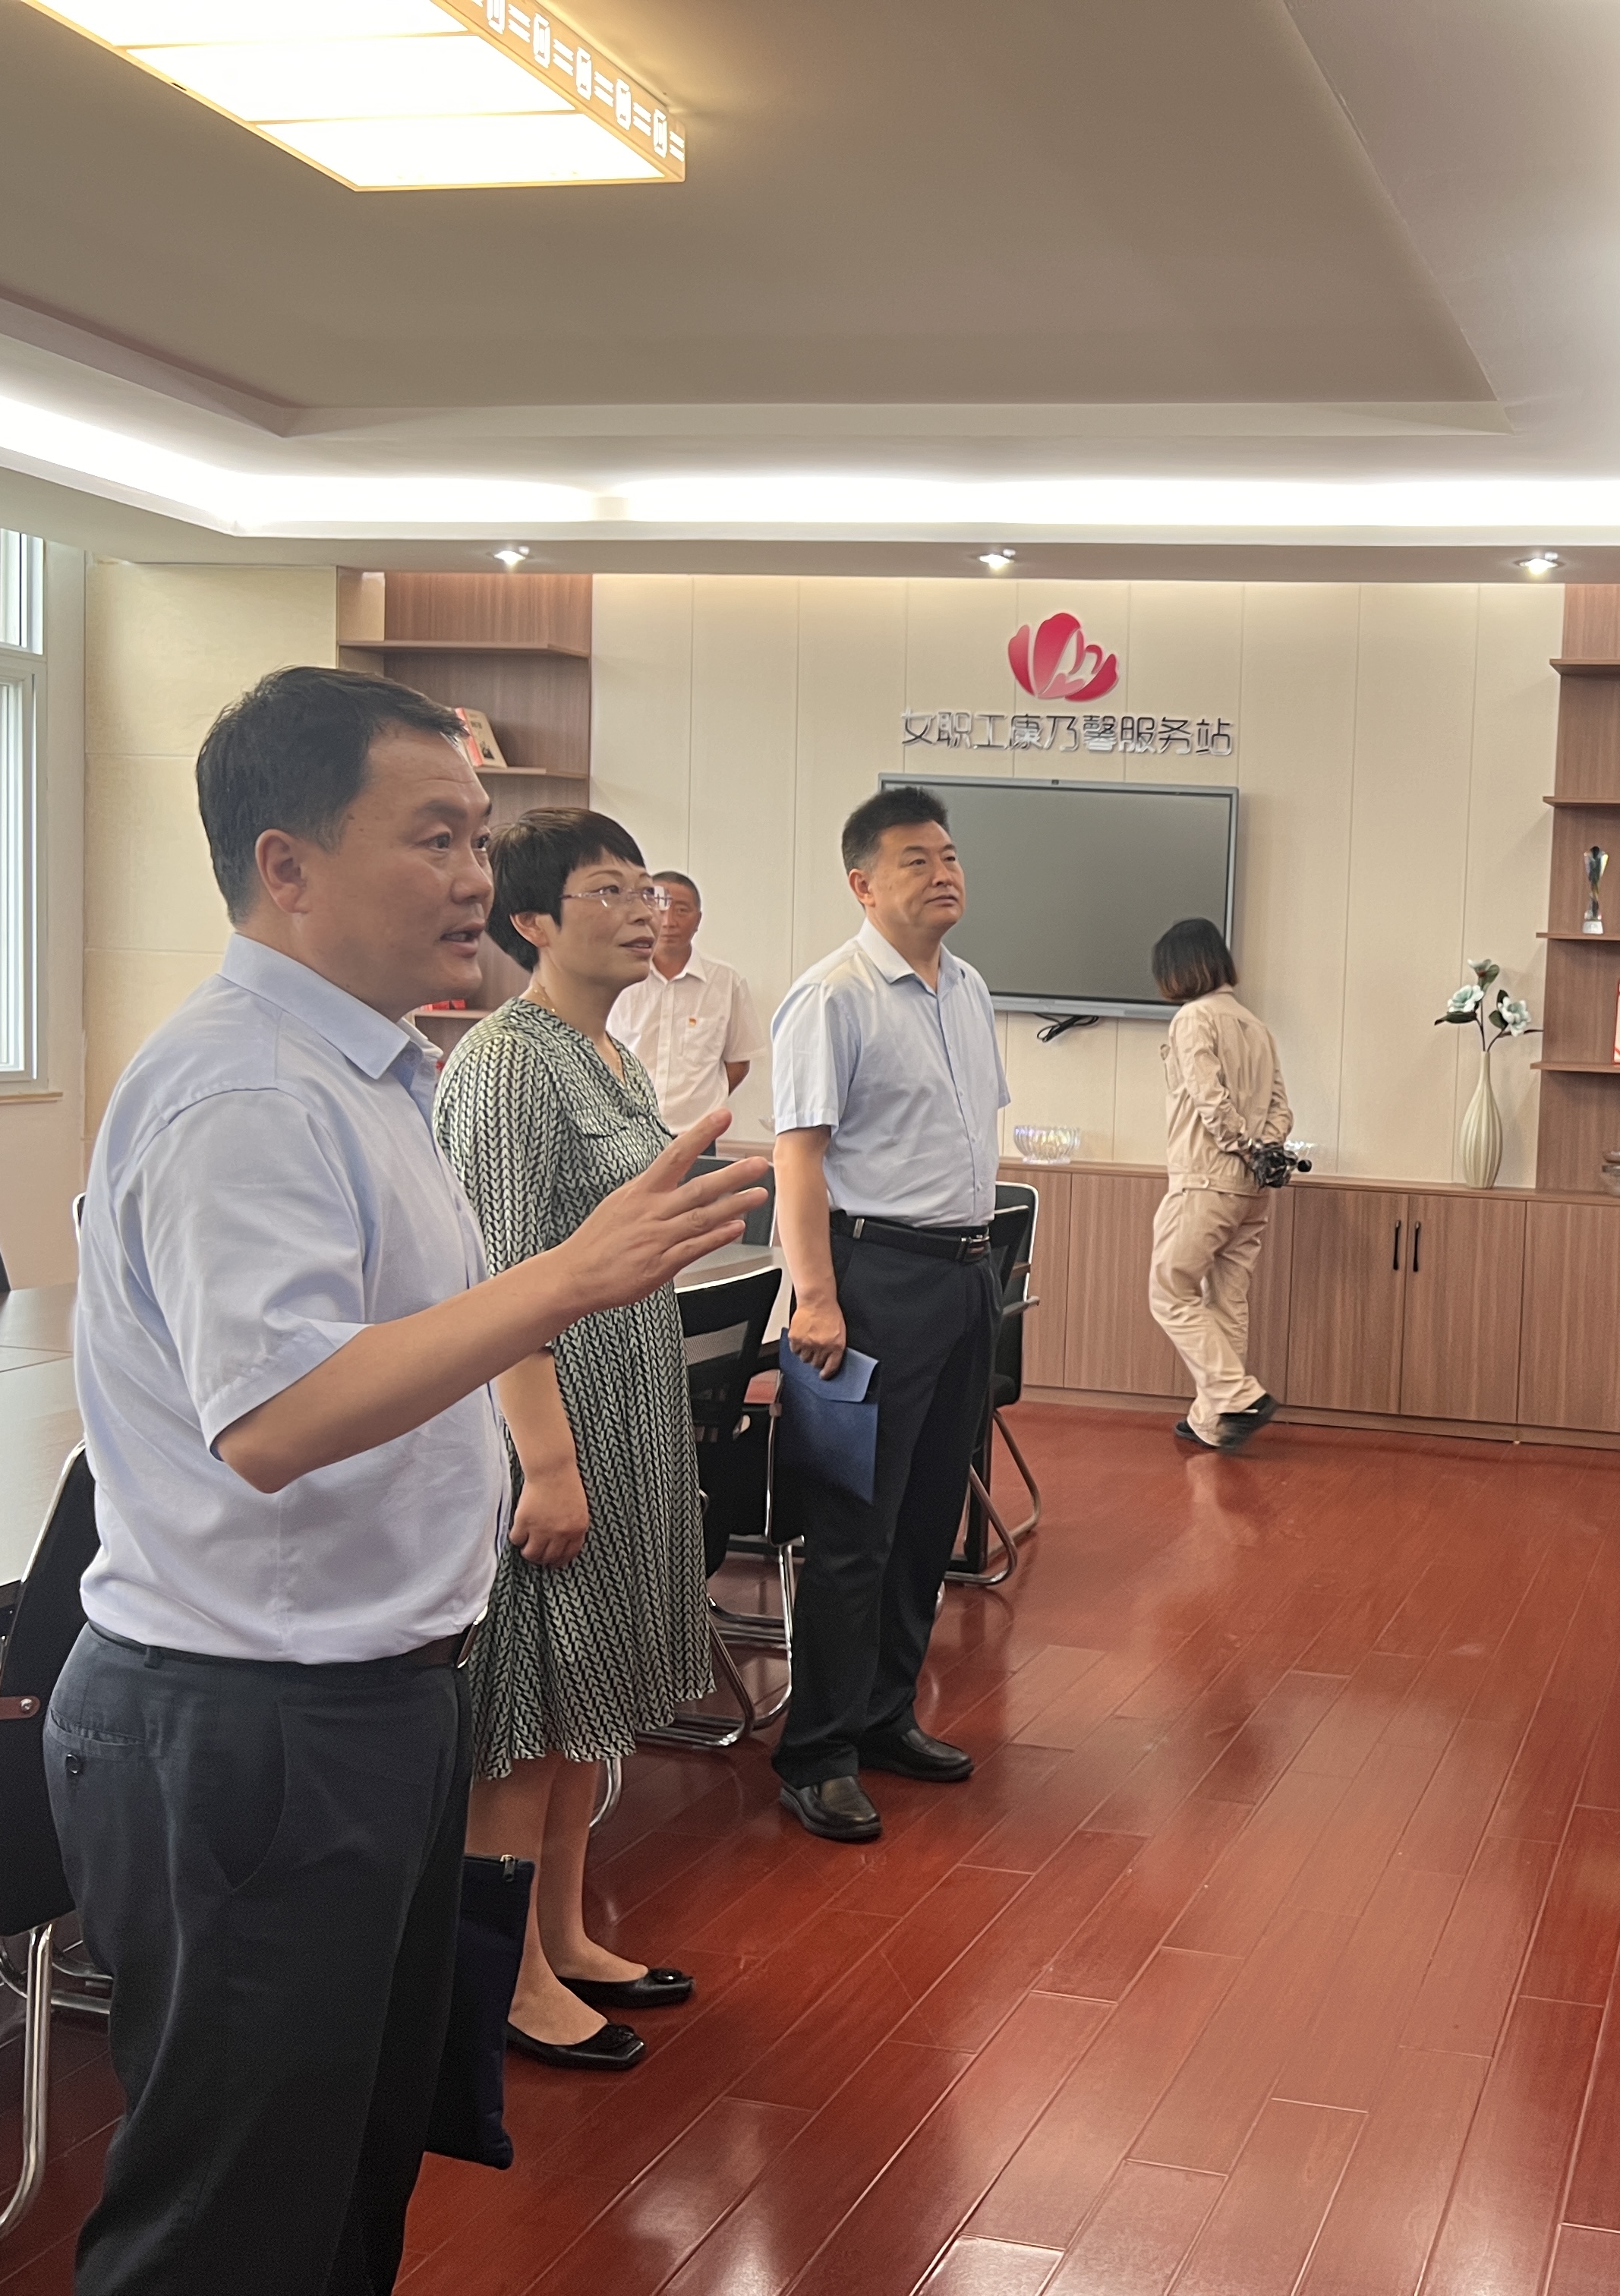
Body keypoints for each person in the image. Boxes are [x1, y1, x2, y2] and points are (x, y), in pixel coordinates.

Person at [51, 667, 764, 2295]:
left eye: (479, 839)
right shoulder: (245, 1086)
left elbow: (409, 1346)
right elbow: (278, 1417)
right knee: (230, 2220)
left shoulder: (378, 1070)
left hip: (371, 1698)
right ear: (286, 864)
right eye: (434, 837)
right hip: (254, 1722)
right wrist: (567, 1276)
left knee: (345, 2178)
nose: (473, 877)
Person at [434, 809, 719, 2074]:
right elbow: (499, 1281)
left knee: (579, 1705)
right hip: (547, 1424)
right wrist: (545, 1464)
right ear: (533, 919)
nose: (642, 910)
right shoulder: (509, 1060)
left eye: (644, 889)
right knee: (528, 1703)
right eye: (609, 890)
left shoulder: (610, 1053)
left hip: (624, 1409)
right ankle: (501, 1981)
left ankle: (558, 1936)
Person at [767, 784, 1011, 1844]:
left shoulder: (970, 988)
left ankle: (883, 1716)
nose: (943, 873)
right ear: (863, 884)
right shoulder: (832, 996)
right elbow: (798, 1160)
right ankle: (816, 1753)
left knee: (925, 1519)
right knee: (854, 1532)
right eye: (917, 860)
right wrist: (816, 1297)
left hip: (964, 1278)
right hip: (871, 1283)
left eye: (949, 855)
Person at [1146, 916, 1294, 1452]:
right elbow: (1281, 1109)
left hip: (1205, 1180)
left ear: (1182, 969)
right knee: (1227, 1299)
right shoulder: (1257, 1026)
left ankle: (1239, 1396)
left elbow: (1211, 1101)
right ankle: (1214, 1421)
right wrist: (1264, 1151)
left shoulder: (1193, 1018)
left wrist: (1242, 1144)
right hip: (1252, 1191)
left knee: (1170, 1291)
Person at [610, 869, 763, 1129]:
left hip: (696, 1134)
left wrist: (705, 1105)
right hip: (625, 1130)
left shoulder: (726, 982)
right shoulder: (615, 978)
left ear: (698, 919)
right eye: (659, 908)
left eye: (681, 910)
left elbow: (739, 1061)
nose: (669, 921)